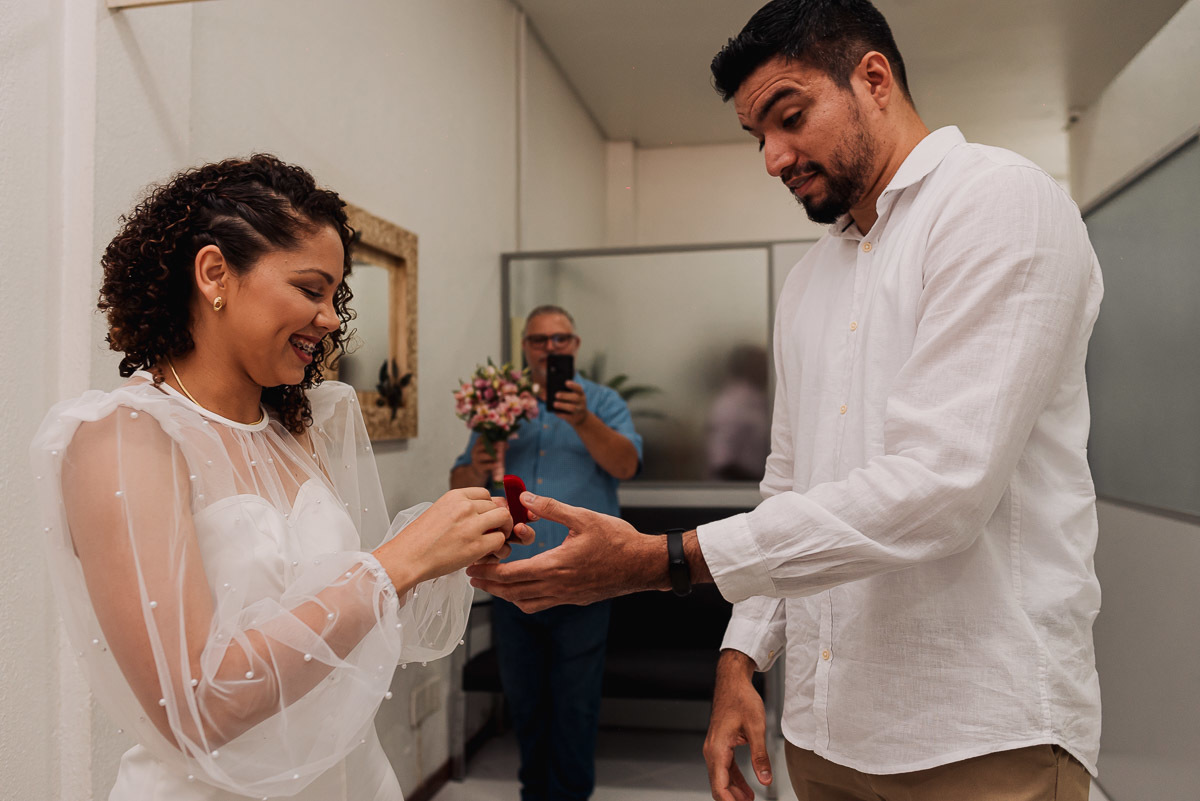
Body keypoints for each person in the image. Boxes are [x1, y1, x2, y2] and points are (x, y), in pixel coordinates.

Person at [467, 2, 1104, 800]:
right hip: (824, 729)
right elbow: (789, 488)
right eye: (756, 135)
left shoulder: (996, 203)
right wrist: (741, 656)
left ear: (874, 79)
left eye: (790, 117)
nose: (773, 158)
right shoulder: (809, 281)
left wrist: (664, 559)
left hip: (976, 731)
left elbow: (942, 489)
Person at [30, 154, 530, 801]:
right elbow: (199, 707)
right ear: (215, 273)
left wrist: (446, 551)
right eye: (311, 289)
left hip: (353, 778)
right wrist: (397, 564)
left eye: (333, 296)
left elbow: (347, 621)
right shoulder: (125, 438)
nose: (331, 318)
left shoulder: (298, 427)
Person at [450, 305, 642, 801]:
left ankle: (570, 796)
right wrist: (478, 461)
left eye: (560, 340)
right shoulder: (501, 405)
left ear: (574, 346)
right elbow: (459, 481)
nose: (549, 349)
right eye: (539, 340)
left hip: (584, 577)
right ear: (525, 347)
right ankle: (534, 793)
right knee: (525, 700)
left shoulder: (603, 402)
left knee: (576, 703)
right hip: (513, 577)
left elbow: (625, 465)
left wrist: (583, 420)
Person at [705, 344, 771, 481]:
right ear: (747, 367)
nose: (767, 368)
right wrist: (754, 482)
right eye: (760, 363)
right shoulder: (732, 404)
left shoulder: (760, 399)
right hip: (736, 486)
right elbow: (722, 460)